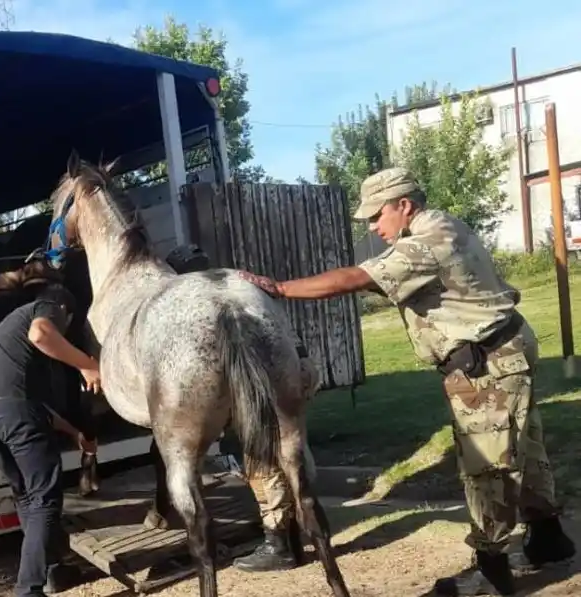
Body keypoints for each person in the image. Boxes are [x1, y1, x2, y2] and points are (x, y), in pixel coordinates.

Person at [237, 167, 575, 596]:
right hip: (505, 349)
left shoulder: (423, 244)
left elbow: (357, 278)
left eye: (376, 215)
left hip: (486, 363)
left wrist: (279, 288)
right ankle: (548, 539)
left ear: (404, 205)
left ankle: (492, 572)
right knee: (525, 447)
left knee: (487, 465)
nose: (373, 226)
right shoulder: (444, 224)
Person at [0, 279, 103, 597]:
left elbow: (31, 407)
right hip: (10, 412)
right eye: (67, 324)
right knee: (44, 499)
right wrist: (87, 364)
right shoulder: (47, 307)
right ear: (64, 311)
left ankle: (49, 570)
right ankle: (28, 589)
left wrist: (75, 432)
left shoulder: (9, 339)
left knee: (26, 496)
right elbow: (41, 334)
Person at [233, 343, 321, 573]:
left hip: (260, 370)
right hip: (292, 361)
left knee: (262, 459)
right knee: (292, 451)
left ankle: (278, 547)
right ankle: (301, 537)